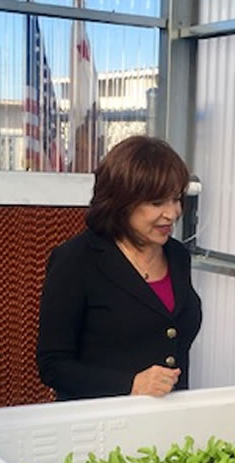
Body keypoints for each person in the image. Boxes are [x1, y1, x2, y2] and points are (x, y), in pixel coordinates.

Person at [37, 136, 203, 400]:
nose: (172, 213)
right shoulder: (76, 260)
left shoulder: (177, 255)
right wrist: (130, 384)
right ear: (121, 202)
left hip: (169, 414)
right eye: (157, 202)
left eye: (176, 199)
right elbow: (53, 365)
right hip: (101, 418)